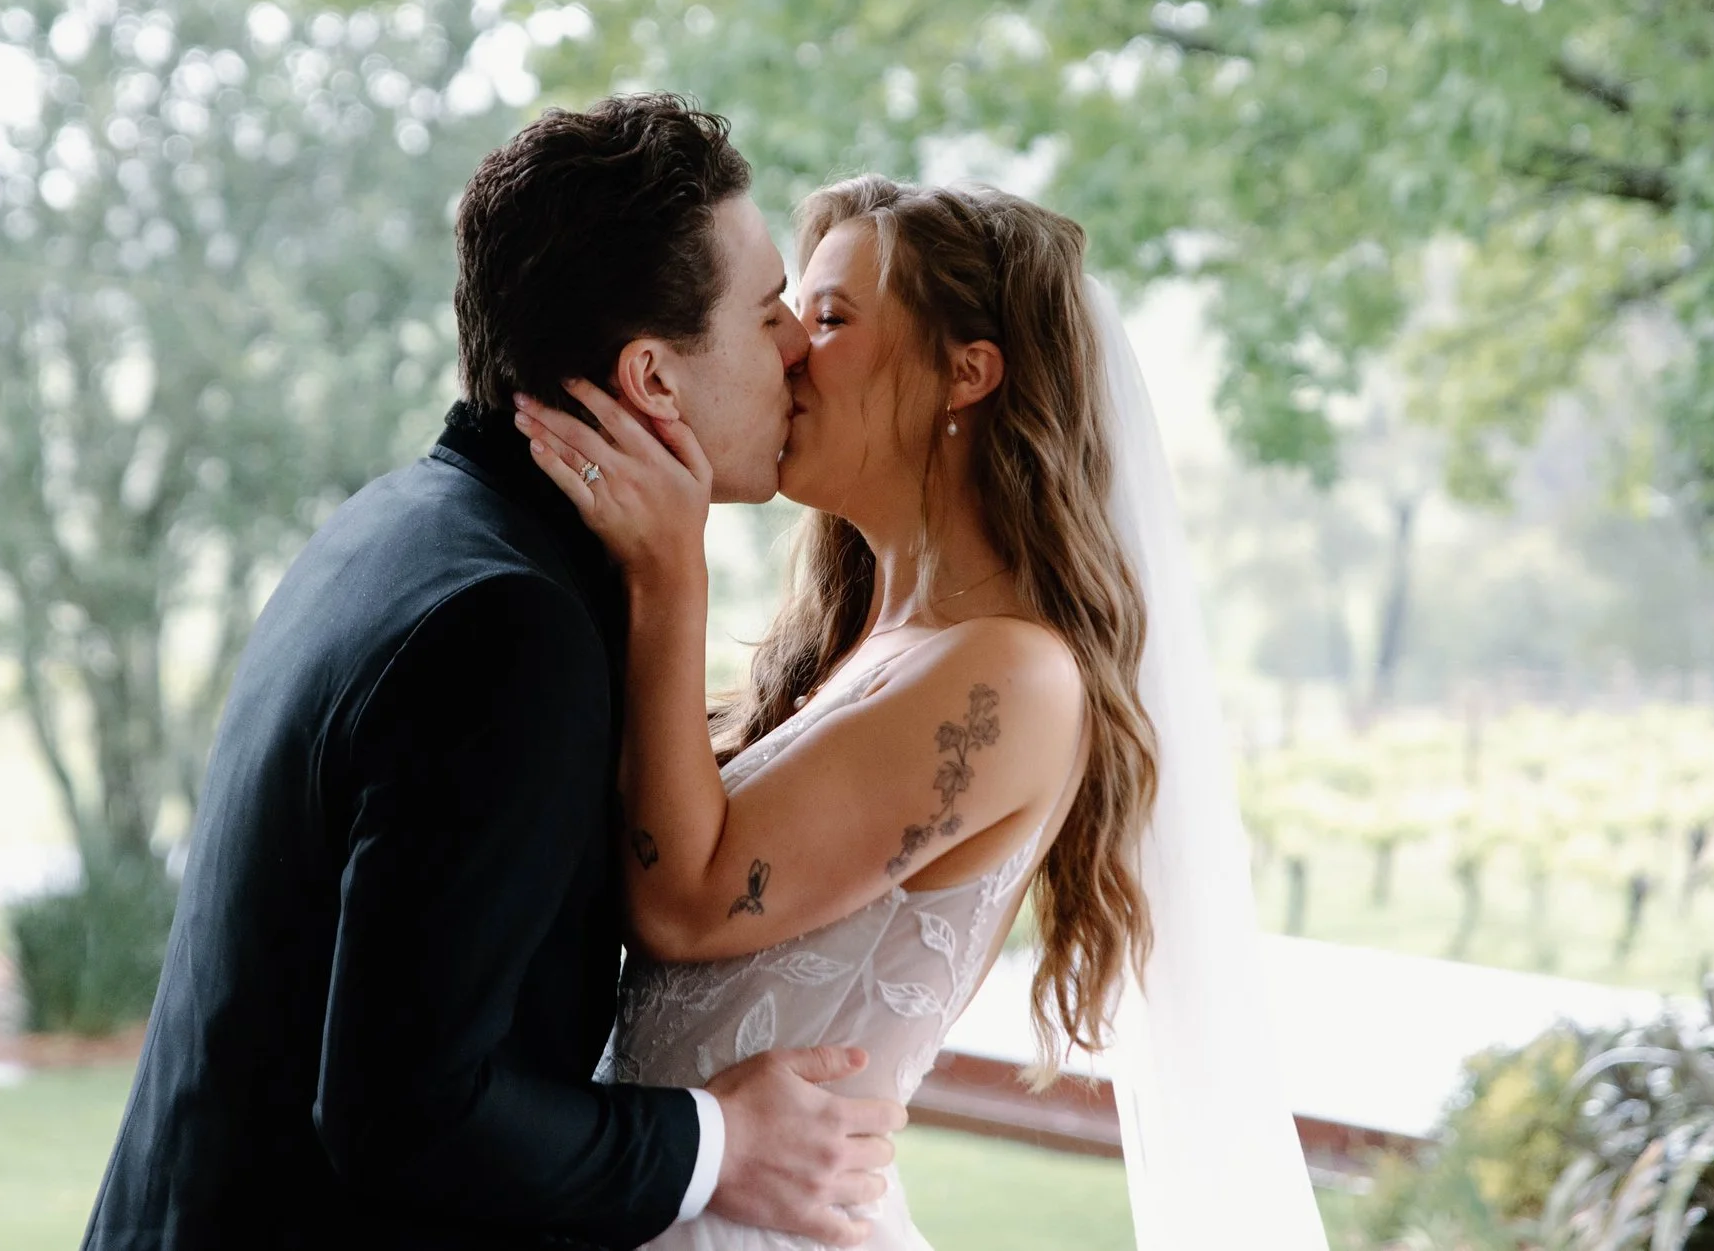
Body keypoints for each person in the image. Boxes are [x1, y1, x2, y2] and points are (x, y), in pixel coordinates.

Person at [81, 97, 905, 1251]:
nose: (794, 350)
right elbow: (408, 1112)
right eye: (768, 311)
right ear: (653, 377)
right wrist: (721, 1138)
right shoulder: (505, 627)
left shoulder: (402, 527)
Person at [514, 176, 1326, 1249]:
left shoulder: (1010, 679)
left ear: (967, 371)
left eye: (833, 317)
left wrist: (669, 574)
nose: (792, 350)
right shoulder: (868, 646)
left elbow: (689, 901)